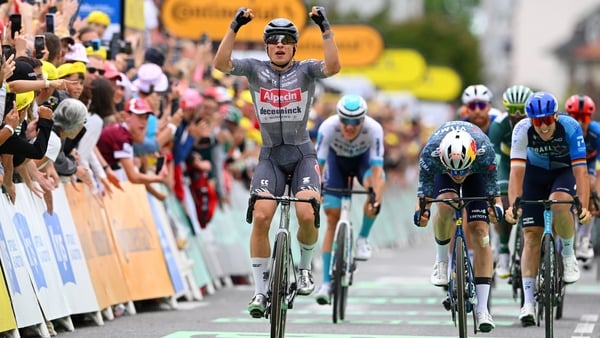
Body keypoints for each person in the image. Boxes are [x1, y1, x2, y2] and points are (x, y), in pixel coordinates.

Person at [213, 6, 341, 318]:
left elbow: (334, 66)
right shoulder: (255, 69)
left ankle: (305, 268)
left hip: (301, 155)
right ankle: (260, 290)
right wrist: (234, 27)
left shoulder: (306, 70)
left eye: (286, 40)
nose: (280, 45)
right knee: (260, 217)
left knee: (307, 212)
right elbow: (220, 64)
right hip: (269, 155)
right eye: (274, 41)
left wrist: (325, 29)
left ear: (294, 46)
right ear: (267, 46)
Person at [504, 91, 592, 326]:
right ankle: (529, 302)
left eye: (547, 120)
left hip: (563, 172)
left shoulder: (570, 127)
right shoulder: (522, 130)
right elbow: (516, 173)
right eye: (537, 121)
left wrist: (582, 205)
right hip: (534, 174)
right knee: (531, 236)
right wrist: (514, 205)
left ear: (555, 116)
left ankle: (568, 253)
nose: (542, 126)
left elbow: (581, 172)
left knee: (560, 203)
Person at [413, 120, 501, 332]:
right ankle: (442, 261)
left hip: (477, 174)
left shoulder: (484, 152)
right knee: (444, 206)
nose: (459, 176)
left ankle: (482, 309)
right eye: (455, 172)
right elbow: (423, 194)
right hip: (442, 174)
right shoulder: (431, 153)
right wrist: (421, 212)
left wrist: (496, 208)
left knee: (481, 230)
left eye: (462, 172)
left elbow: (493, 192)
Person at [313, 94, 385, 305]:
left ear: (363, 120)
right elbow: (319, 165)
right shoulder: (327, 127)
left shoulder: (374, 129)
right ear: (338, 117)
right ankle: (326, 283)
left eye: (355, 122)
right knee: (332, 218)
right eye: (345, 120)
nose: (349, 126)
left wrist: (376, 198)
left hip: (363, 163)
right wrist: (316, 192)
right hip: (337, 164)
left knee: (376, 188)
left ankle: (363, 237)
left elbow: (378, 170)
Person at [488, 85, 533, 278]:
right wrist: (494, 183)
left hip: (530, 162)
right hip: (506, 164)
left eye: (521, 110)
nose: (516, 115)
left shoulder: (536, 122)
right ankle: (504, 248)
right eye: (512, 110)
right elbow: (495, 159)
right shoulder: (499, 125)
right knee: (506, 202)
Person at [564, 94, 598, 267]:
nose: (579, 121)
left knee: (591, 185)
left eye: (583, 117)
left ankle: (585, 237)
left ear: (590, 118)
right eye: (575, 117)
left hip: (590, 164)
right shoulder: (562, 130)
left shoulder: (596, 132)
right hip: (566, 166)